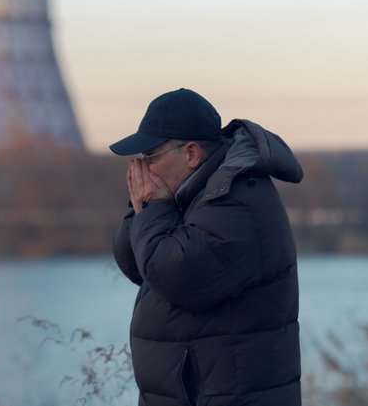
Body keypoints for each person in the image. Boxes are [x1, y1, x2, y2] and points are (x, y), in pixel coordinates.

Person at [110, 88, 303, 406]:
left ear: (191, 154)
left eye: (151, 157)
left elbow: (173, 274)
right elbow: (136, 265)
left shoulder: (238, 201)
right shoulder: (187, 197)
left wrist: (154, 208)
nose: (143, 169)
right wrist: (142, 205)